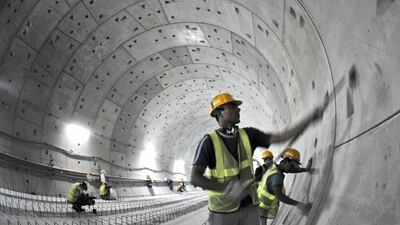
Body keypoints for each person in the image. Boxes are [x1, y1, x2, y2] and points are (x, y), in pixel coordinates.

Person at [190, 92, 325, 225]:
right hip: (222, 212)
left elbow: (280, 137)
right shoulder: (209, 142)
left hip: (250, 207)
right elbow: (195, 178)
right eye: (232, 106)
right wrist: (228, 187)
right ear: (219, 113)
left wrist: (308, 120)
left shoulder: (249, 135)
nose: (238, 108)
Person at [257, 148, 313, 225]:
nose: (294, 168)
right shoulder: (276, 176)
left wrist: (305, 169)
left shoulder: (274, 167)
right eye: (292, 165)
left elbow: (290, 169)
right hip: (259, 207)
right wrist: (300, 205)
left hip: (259, 205)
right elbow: (280, 196)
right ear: (286, 161)